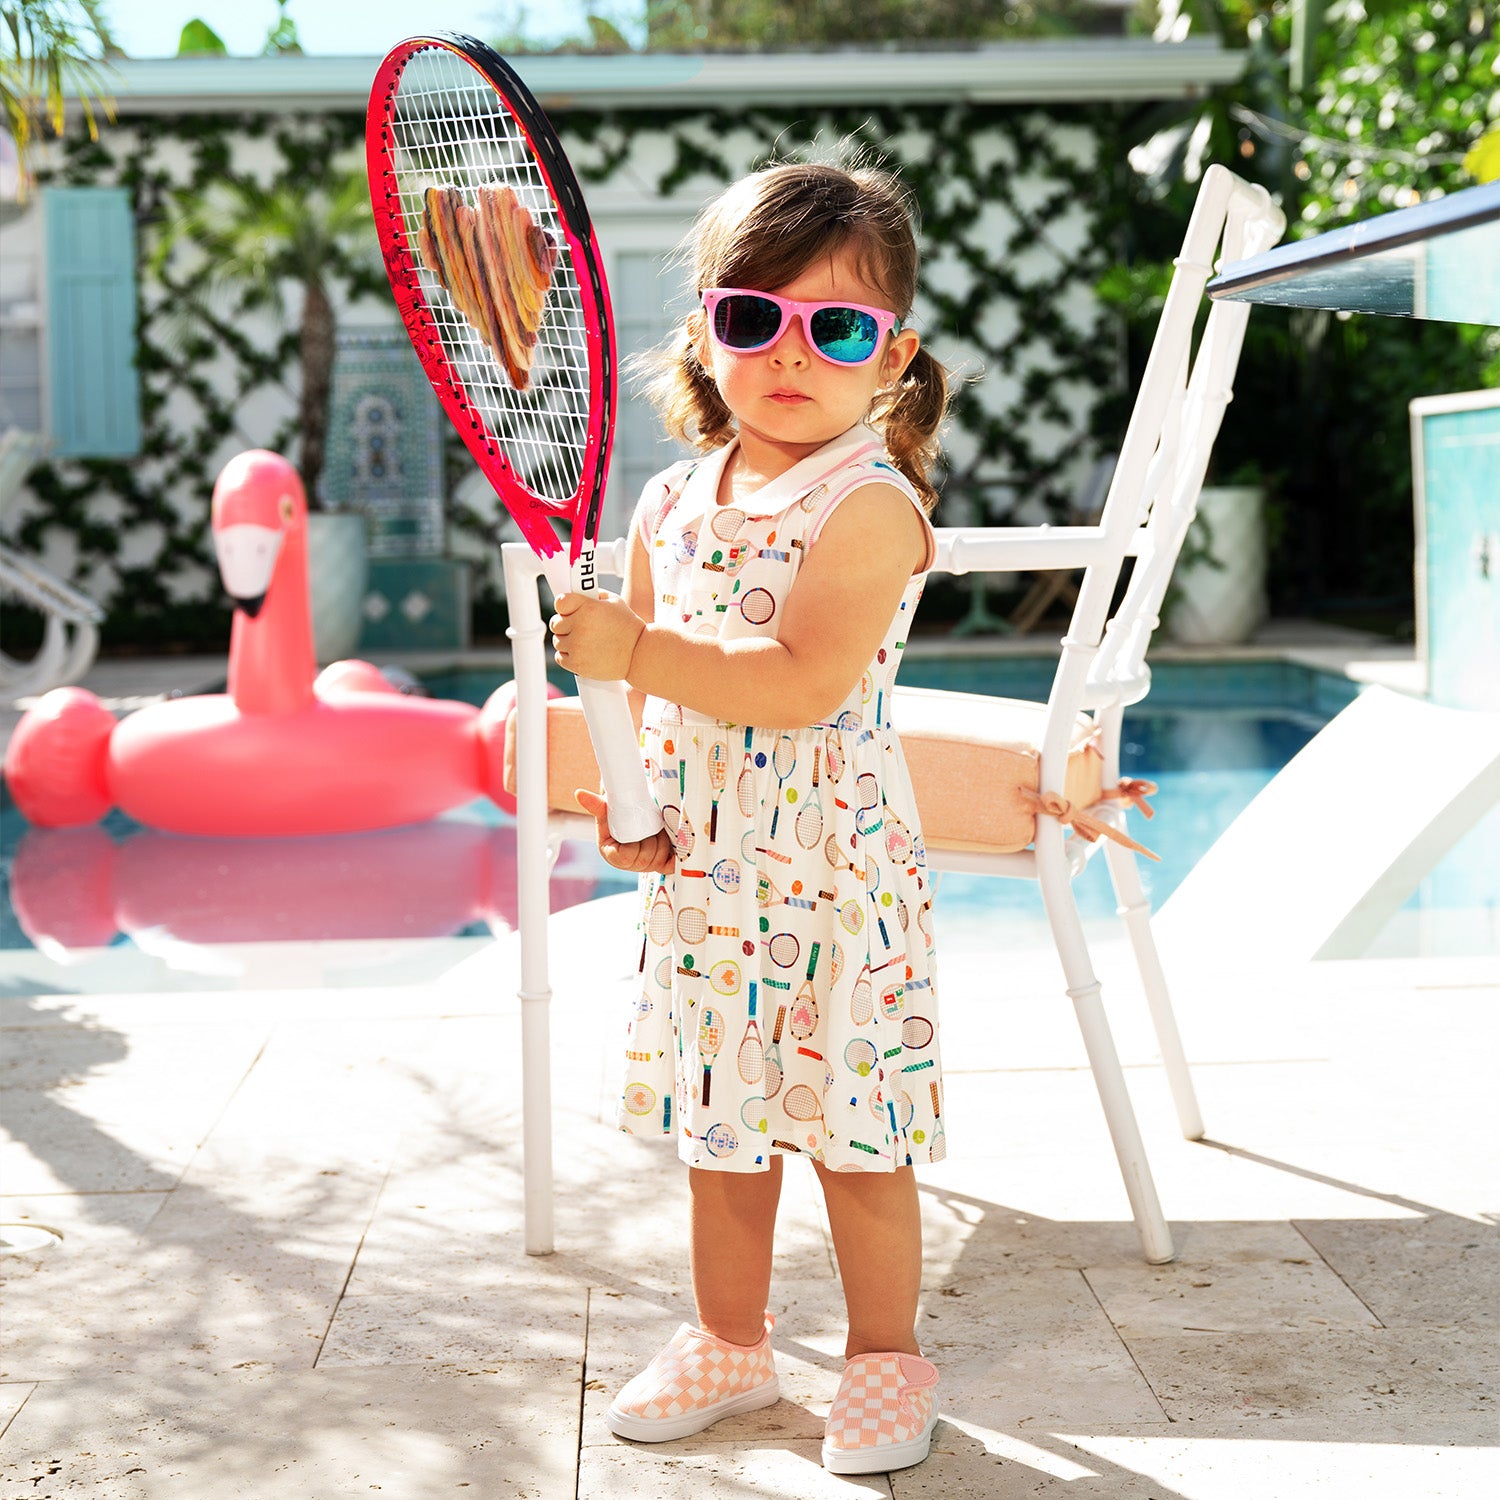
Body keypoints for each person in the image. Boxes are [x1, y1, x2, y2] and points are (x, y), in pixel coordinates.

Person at [549, 160, 951, 1476]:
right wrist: (634, 812)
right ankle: (730, 1338)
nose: (792, 355)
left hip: (835, 882)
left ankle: (887, 1360)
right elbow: (657, 717)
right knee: (723, 1130)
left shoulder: (870, 505)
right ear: (705, 337)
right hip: (711, 879)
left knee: (852, 1134)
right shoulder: (670, 503)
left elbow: (796, 685)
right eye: (753, 319)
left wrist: (631, 652)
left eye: (835, 327)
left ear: (889, 358)